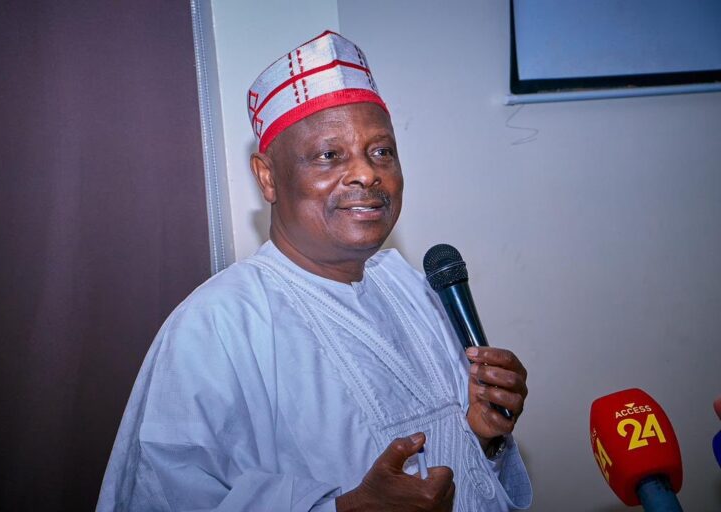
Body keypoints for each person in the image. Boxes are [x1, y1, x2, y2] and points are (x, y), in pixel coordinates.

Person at [97, 31, 532, 511]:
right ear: (268, 177)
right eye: (330, 155)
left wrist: (482, 437)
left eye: (381, 151)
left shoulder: (409, 285)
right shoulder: (215, 325)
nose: (367, 173)